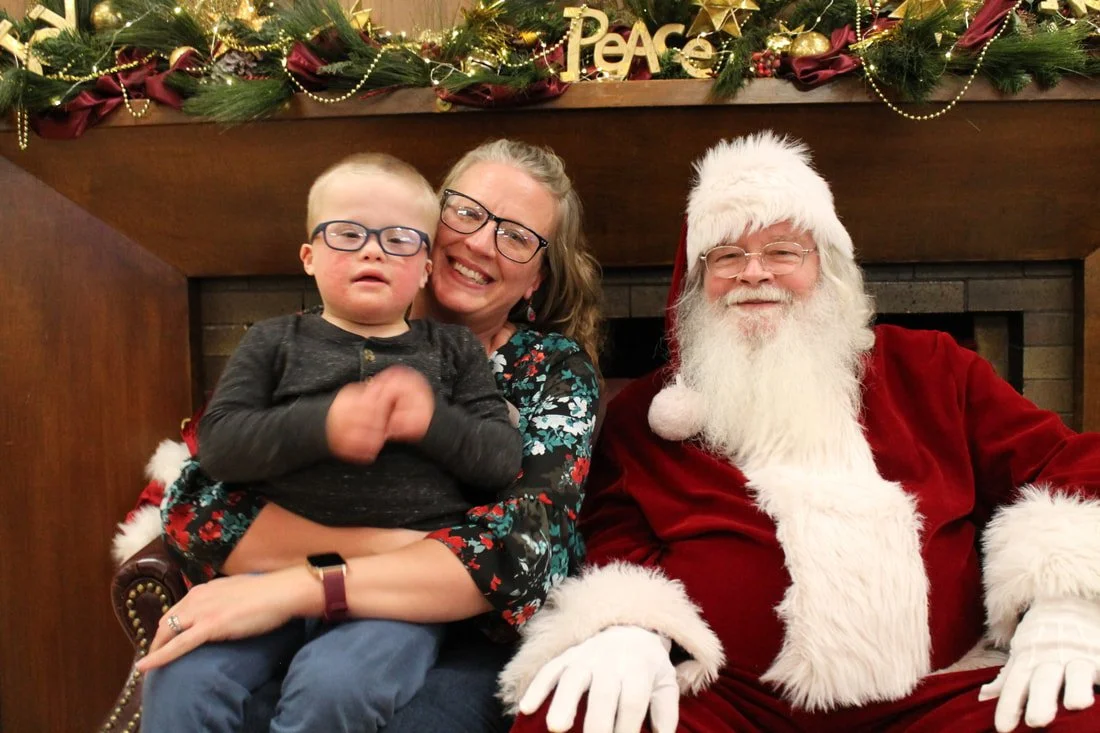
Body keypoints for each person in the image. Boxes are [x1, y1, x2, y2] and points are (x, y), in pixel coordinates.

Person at [501, 131, 1100, 733]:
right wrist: (628, 625)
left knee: (1075, 714)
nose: (753, 273)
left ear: (827, 269)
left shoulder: (935, 369)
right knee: (572, 717)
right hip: (728, 698)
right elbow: (613, 534)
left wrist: (1065, 601)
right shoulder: (646, 414)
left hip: (938, 695)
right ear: (696, 282)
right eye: (727, 256)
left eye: (784, 251)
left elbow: (1066, 464)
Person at [133, 139, 603, 733]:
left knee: (355, 696)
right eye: (467, 212)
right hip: (279, 594)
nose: (482, 242)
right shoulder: (295, 340)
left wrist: (297, 587)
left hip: (450, 632)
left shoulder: (550, 370)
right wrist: (403, 541)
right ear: (432, 223)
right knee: (184, 676)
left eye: (515, 236)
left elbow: (523, 553)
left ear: (537, 277)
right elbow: (199, 505)